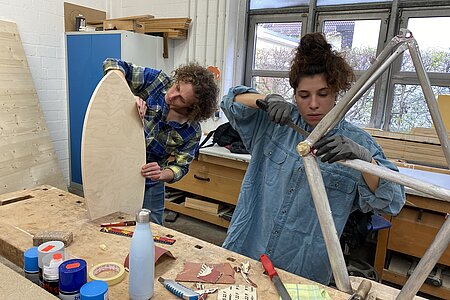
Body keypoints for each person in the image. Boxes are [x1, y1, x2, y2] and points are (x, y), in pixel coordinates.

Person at [220, 32, 405, 285]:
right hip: (247, 250)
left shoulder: (357, 143)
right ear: (294, 94)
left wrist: (364, 161)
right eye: (304, 95)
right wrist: (266, 100)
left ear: (337, 92)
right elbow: (230, 101)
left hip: (303, 268)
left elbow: (392, 201)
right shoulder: (276, 123)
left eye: (323, 93)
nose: (313, 104)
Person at [103, 59, 218, 225]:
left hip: (150, 183)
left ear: (192, 108)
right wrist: (127, 97)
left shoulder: (192, 131)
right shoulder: (158, 82)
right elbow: (112, 64)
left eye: (181, 99)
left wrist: (161, 174)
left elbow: (181, 167)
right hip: (115, 169)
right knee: (110, 223)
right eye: (177, 87)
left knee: (152, 230)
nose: (171, 95)